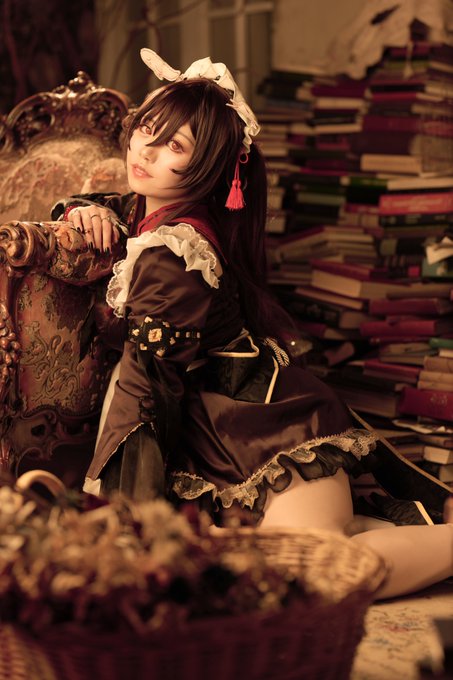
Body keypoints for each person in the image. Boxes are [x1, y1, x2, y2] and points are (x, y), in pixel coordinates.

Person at [53, 48, 453, 600]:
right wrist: (80, 209)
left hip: (264, 432)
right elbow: (117, 208)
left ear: (208, 168)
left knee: (315, 578)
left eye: (175, 146)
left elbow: (147, 389)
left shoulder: (176, 254)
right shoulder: (150, 211)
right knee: (253, 576)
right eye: (147, 128)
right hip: (221, 429)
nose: (146, 150)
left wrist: (128, 522)